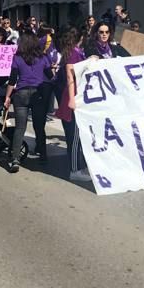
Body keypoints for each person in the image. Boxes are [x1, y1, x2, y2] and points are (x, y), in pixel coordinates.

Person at [3, 31, 53, 172]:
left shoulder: (17, 58)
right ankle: (43, 155)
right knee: (39, 126)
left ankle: (15, 159)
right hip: (38, 94)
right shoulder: (43, 58)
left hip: (21, 94)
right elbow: (50, 76)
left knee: (20, 128)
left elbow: (12, 80)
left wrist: (7, 97)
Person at [54, 26, 90, 182]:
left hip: (73, 96)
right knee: (74, 137)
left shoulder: (73, 52)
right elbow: (70, 77)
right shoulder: (74, 54)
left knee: (75, 136)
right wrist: (72, 99)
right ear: (79, 38)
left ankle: (77, 167)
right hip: (72, 97)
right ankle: (74, 170)